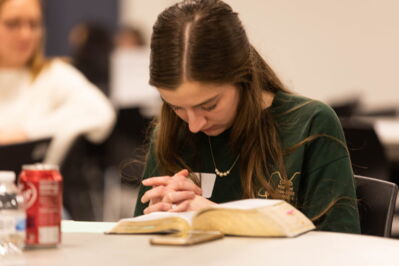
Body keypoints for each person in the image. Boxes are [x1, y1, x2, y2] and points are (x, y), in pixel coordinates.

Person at [134, 0, 360, 233]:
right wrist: (157, 222)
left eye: (209, 105)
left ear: (244, 78)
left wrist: (217, 218)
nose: (194, 124)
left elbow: (338, 247)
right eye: (176, 107)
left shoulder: (309, 124)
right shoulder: (170, 132)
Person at [0, 0, 115, 165]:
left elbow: (101, 113)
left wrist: (27, 134)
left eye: (34, 24)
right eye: (12, 24)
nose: (26, 35)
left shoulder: (53, 74)